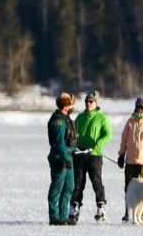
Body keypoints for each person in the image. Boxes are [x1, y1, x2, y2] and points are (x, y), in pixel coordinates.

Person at [70, 92, 113, 223]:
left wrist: (97, 143)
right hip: (80, 155)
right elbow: (74, 134)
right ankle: (74, 208)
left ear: (96, 103)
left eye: (91, 102)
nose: (88, 104)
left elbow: (108, 135)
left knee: (96, 182)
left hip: (94, 156)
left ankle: (101, 208)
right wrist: (73, 146)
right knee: (78, 183)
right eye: (87, 102)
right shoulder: (80, 118)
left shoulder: (102, 118)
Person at [47, 92, 78, 225]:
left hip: (69, 158)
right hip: (60, 158)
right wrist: (66, 158)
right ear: (66, 106)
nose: (72, 107)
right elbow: (59, 143)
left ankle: (63, 215)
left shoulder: (67, 119)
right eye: (71, 104)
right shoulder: (58, 120)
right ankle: (54, 216)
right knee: (57, 187)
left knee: (69, 187)